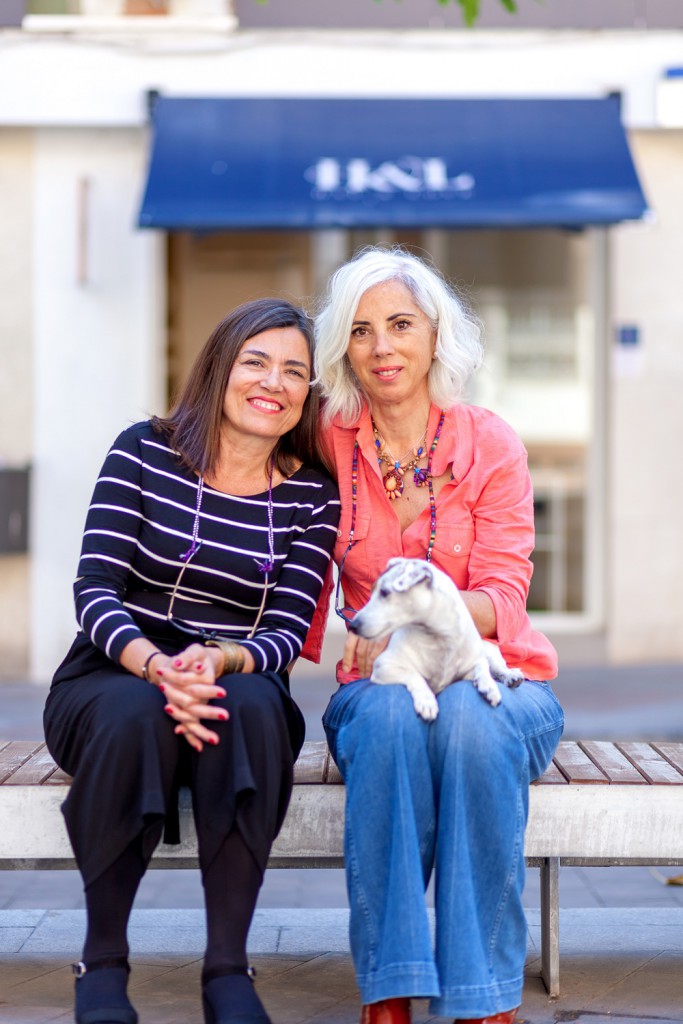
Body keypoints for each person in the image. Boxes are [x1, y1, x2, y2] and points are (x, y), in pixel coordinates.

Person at [43, 298, 340, 1024]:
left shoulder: (310, 494)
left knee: (253, 712)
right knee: (133, 714)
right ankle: (103, 962)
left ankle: (227, 970)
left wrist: (218, 657)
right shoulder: (142, 449)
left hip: (234, 675)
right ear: (220, 367)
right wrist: (156, 665)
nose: (274, 382)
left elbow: (286, 628)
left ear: (309, 393)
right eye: (256, 362)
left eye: (294, 371)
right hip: (115, 670)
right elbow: (94, 589)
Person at [311, 248, 565, 1024]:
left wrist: (420, 612)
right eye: (361, 331)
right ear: (342, 348)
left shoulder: (489, 443)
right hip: (384, 683)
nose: (382, 347)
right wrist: (326, 630)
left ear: (434, 336)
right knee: (389, 722)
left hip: (499, 675)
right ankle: (388, 985)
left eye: (399, 325)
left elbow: (502, 596)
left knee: (470, 722)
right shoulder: (324, 441)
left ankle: (482, 992)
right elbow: (295, 563)